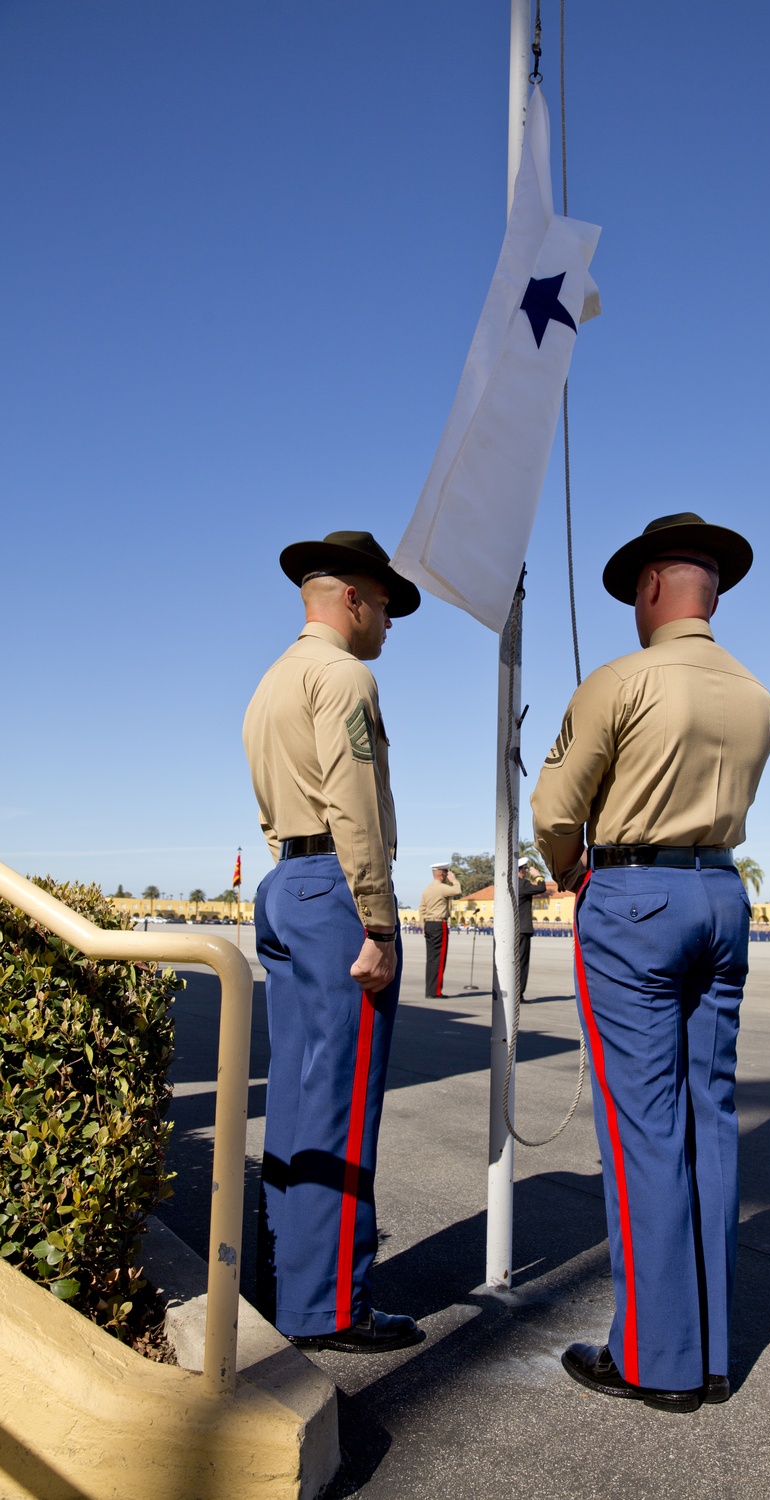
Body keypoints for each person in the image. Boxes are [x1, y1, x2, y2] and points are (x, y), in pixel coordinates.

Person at [531, 511, 770, 1413]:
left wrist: (568, 873)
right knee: (709, 1116)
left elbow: (557, 809)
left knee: (644, 1126)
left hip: (636, 897)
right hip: (721, 891)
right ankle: (711, 1352)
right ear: (711, 591)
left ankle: (656, 1357)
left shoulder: (622, 679)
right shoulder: (756, 692)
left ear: (649, 590)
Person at [243, 528, 423, 1354]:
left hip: (285, 878)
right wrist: (379, 921)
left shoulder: (273, 679)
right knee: (344, 1105)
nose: (389, 622)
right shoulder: (345, 675)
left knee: (296, 1097)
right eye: (385, 605)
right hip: (334, 889)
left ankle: (281, 1279)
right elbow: (351, 800)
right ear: (352, 596)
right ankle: (332, 1306)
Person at [418, 862, 463, 997]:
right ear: (443, 874)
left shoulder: (427, 889)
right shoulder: (442, 888)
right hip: (439, 925)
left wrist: (422, 926)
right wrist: (454, 880)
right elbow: (457, 890)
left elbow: (421, 909)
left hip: (428, 925)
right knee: (439, 958)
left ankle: (430, 990)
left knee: (431, 959)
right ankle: (435, 991)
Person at [517, 856, 547, 999]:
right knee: (522, 962)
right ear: (520, 871)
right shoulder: (522, 884)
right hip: (522, 929)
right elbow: (541, 887)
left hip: (511, 930)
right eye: (524, 869)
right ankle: (519, 993)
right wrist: (538, 876)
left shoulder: (509, 884)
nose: (525, 872)